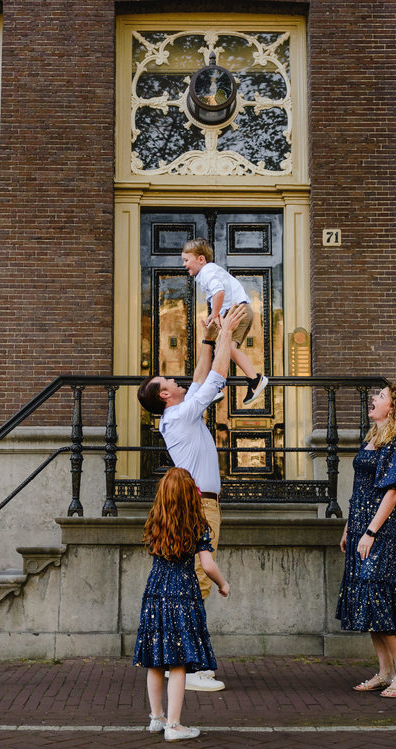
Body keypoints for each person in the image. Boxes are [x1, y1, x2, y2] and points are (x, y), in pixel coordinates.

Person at [136, 303, 247, 692]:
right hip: (202, 504)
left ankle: (181, 662)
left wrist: (207, 338)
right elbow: (216, 377)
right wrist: (227, 332)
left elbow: (199, 377)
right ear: (166, 395)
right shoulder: (182, 416)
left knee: (195, 582)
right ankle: (189, 665)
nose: (174, 378)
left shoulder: (178, 413)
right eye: (167, 379)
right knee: (199, 581)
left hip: (203, 502)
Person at [133, 467, 231, 742]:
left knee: (155, 660)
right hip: (182, 592)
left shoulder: (156, 520)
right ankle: (174, 726)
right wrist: (223, 584)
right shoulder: (197, 524)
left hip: (155, 591)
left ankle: (156, 718)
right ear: (191, 494)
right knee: (177, 663)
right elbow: (207, 565)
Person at [336, 383, 396, 699]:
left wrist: (370, 532)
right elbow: (360, 487)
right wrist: (350, 528)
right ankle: (384, 672)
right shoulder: (373, 438)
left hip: (381, 530)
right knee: (368, 603)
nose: (373, 398)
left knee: (379, 598)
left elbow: (393, 491)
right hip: (360, 526)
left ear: (393, 408)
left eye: (381, 396)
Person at [181, 238, 268, 407]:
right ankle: (216, 388)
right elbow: (223, 295)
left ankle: (255, 379)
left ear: (201, 259)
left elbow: (219, 292)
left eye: (186, 260)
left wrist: (214, 314)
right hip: (236, 310)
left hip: (237, 311)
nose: (184, 265)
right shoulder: (207, 272)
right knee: (221, 349)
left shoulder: (207, 271)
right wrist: (218, 315)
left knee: (228, 348)